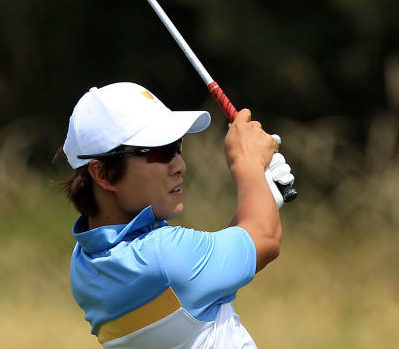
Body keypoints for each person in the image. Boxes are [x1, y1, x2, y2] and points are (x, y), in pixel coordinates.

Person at [60, 82, 295, 348]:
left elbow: (203, 277)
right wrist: (247, 162)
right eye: (161, 152)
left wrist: (260, 199)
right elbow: (265, 239)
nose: (180, 165)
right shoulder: (165, 256)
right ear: (102, 173)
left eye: (177, 146)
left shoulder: (84, 264)